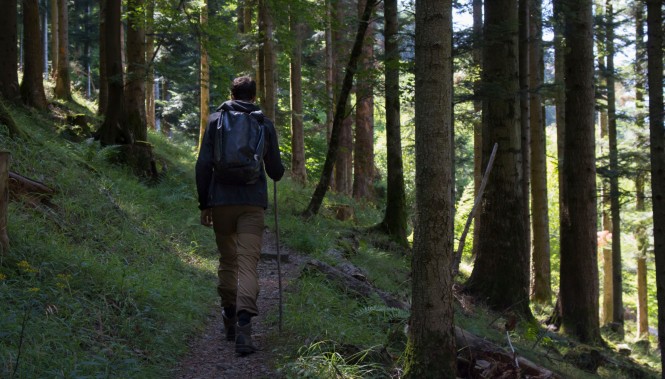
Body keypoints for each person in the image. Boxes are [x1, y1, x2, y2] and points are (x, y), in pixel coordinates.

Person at [195, 76, 284, 354]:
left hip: (221, 202)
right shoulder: (263, 123)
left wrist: (204, 204)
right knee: (247, 263)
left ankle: (229, 317)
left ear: (231, 94)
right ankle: (244, 328)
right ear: (254, 97)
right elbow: (275, 171)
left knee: (228, 260)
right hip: (251, 204)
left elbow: (203, 165)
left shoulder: (214, 121)